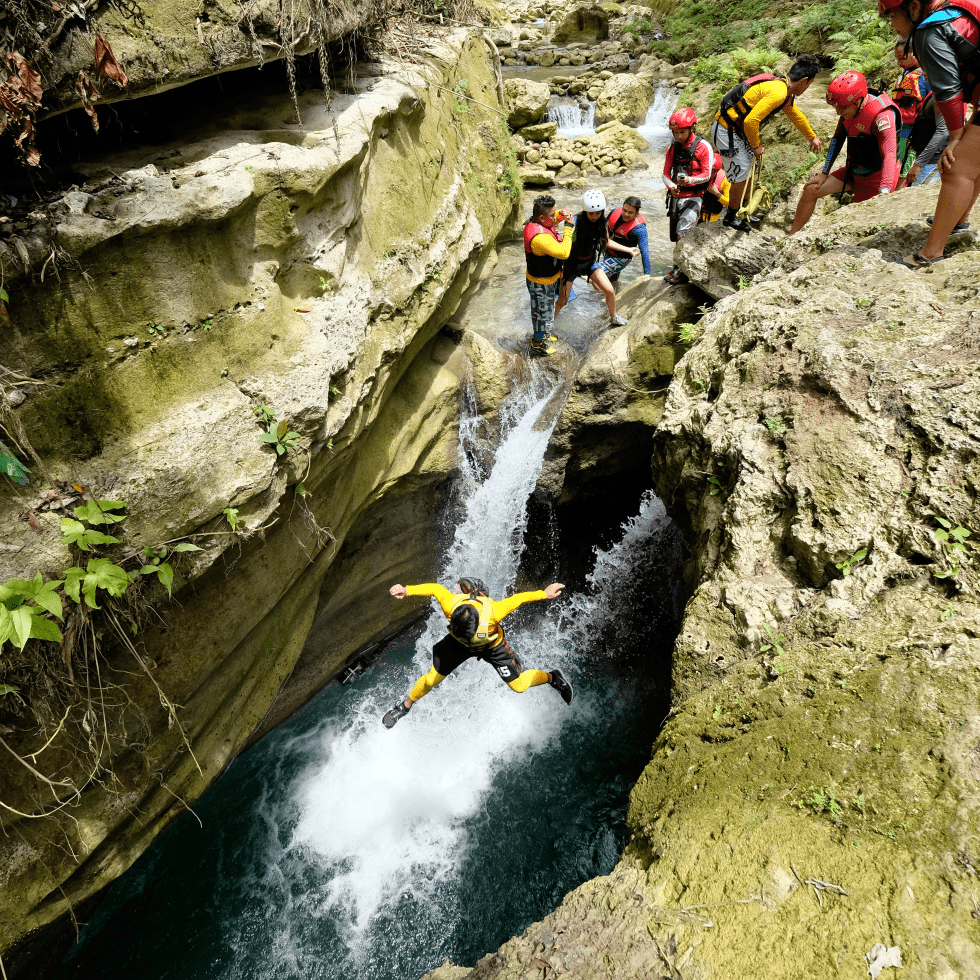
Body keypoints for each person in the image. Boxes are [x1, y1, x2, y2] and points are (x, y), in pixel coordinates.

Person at [381, 576, 574, 728]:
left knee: (519, 685)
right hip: (458, 644)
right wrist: (407, 590)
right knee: (431, 680)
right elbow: (435, 589)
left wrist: (543, 593)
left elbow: (519, 598)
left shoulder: (495, 612)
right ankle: (404, 706)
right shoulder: (450, 604)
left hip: (492, 647)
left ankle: (553, 678)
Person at [879, 0, 980, 268]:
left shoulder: (929, 31)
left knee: (956, 166)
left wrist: (956, 137)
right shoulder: (956, 12)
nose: (891, 24)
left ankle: (930, 253)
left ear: (913, 7)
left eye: (892, 16)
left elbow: (948, 91)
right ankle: (959, 220)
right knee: (973, 156)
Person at [711, 55, 823, 232]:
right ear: (804, 81)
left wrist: (811, 136)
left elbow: (795, 114)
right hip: (727, 130)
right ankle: (731, 217)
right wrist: (756, 146)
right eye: (809, 84)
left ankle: (741, 210)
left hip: (735, 130)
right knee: (740, 175)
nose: (807, 88)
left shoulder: (781, 86)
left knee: (748, 169)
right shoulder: (779, 92)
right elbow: (751, 121)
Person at [789, 71, 901, 235]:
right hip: (854, 170)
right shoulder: (850, 107)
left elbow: (890, 154)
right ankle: (792, 236)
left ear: (858, 101)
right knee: (811, 189)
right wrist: (824, 173)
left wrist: (884, 190)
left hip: (877, 177)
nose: (837, 112)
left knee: (863, 226)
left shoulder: (882, 116)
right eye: (835, 107)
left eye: (841, 107)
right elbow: (837, 139)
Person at [554, 189, 628, 326]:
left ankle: (614, 318)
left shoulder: (602, 223)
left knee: (610, 291)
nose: (594, 216)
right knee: (562, 302)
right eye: (591, 213)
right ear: (585, 210)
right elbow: (565, 243)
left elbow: (607, 242)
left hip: (590, 264)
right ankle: (549, 326)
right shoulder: (575, 222)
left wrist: (628, 249)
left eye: (598, 213)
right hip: (571, 266)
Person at [662, 107, 715, 284]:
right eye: (676, 132)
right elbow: (665, 174)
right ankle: (679, 266)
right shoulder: (672, 148)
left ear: (692, 128)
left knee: (682, 232)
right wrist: (671, 187)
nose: (679, 136)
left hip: (694, 197)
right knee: (675, 235)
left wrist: (690, 180)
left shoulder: (703, 147)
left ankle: (682, 271)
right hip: (676, 197)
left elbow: (707, 174)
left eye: (682, 132)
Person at [524, 195, 575, 356]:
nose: (555, 218)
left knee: (544, 310)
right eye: (552, 215)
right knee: (541, 315)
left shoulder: (536, 221)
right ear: (541, 217)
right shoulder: (540, 238)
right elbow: (564, 252)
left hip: (547, 279)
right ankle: (537, 345)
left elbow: (551, 219)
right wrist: (568, 228)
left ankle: (542, 335)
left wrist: (561, 214)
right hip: (541, 283)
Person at [891, 39, 933, 182]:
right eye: (897, 59)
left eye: (902, 58)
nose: (898, 63)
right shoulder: (904, 75)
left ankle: (901, 186)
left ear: (914, 54)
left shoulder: (925, 75)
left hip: (916, 129)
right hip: (901, 127)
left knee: (908, 159)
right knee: (899, 158)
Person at [595, 196, 651, 289]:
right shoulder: (614, 211)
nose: (626, 214)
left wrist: (647, 275)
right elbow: (603, 228)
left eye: (630, 212)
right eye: (624, 210)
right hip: (609, 250)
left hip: (622, 257)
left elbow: (645, 251)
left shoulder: (640, 229)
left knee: (597, 276)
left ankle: (605, 297)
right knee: (611, 279)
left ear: (637, 213)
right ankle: (612, 297)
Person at [905, 91, 950, 185]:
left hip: (933, 162)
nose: (926, 76)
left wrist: (918, 164)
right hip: (927, 159)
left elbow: (943, 131)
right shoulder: (935, 94)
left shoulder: (941, 97)